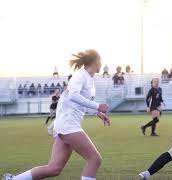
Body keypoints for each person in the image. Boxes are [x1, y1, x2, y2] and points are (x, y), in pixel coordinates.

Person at [3, 49, 110, 180]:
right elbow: (73, 96)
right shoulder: (80, 76)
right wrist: (98, 106)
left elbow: (78, 101)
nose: (101, 64)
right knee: (94, 159)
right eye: (100, 61)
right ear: (94, 61)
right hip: (68, 125)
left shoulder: (89, 79)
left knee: (54, 169)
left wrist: (97, 112)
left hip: (65, 126)